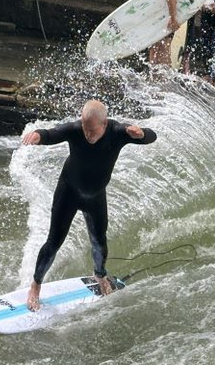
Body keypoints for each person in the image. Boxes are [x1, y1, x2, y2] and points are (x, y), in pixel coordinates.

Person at [23, 100, 158, 311]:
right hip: (68, 193)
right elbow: (52, 133)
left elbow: (151, 136)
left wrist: (142, 134)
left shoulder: (118, 132)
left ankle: (100, 276)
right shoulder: (76, 129)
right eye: (85, 130)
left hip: (95, 197)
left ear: (104, 124)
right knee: (54, 242)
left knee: (99, 242)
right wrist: (38, 135)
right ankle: (35, 285)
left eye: (92, 131)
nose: (88, 135)